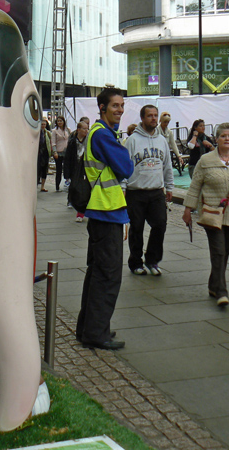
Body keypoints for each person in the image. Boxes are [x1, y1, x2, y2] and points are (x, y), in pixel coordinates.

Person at [76, 87, 134, 350]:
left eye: (122, 106)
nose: (119, 110)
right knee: (108, 276)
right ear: (102, 108)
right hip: (106, 211)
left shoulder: (101, 134)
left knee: (97, 273)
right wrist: (122, 151)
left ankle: (88, 328)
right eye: (114, 106)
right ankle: (96, 333)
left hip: (102, 212)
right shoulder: (103, 135)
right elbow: (126, 168)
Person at [182, 123, 229, 306]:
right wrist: (187, 209)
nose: (227, 139)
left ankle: (213, 284)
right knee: (218, 252)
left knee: (225, 252)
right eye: (223, 136)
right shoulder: (206, 161)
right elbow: (195, 187)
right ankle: (222, 292)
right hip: (212, 214)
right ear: (216, 139)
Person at [123, 105, 174, 276]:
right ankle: (135, 262)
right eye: (149, 116)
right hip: (136, 191)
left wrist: (170, 186)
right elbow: (125, 165)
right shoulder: (132, 140)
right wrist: (123, 187)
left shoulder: (162, 141)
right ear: (143, 118)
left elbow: (167, 165)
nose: (153, 118)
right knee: (136, 228)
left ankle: (152, 260)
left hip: (156, 191)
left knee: (160, 225)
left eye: (155, 115)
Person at [64, 120, 89, 222]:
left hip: (85, 169)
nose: (86, 131)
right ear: (78, 129)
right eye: (84, 129)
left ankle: (81, 212)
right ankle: (73, 202)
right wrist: (67, 173)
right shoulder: (72, 142)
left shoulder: (89, 141)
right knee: (74, 187)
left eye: (87, 128)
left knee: (84, 190)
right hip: (75, 168)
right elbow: (68, 158)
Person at [51, 116, 71, 192]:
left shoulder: (67, 130)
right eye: (58, 121)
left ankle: (67, 183)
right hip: (58, 152)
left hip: (66, 152)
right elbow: (53, 142)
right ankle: (57, 186)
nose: (59, 122)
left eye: (61, 121)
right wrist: (55, 152)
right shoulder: (54, 131)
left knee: (66, 168)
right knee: (59, 170)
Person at [37, 119, 51, 192]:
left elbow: (51, 142)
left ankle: (42, 186)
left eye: (44, 124)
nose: (43, 126)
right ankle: (36, 185)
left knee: (44, 170)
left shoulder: (48, 133)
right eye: (42, 124)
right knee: (37, 169)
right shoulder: (36, 133)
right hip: (38, 153)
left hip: (45, 153)